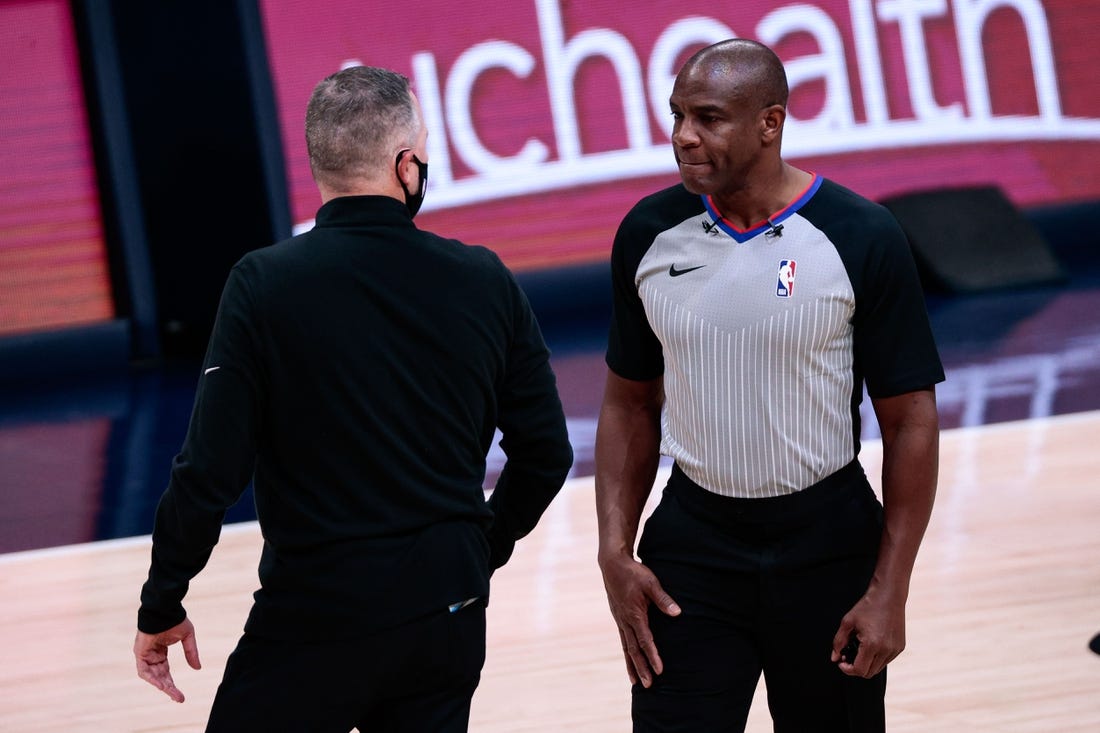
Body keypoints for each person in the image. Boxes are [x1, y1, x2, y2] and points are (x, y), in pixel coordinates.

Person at [133, 65, 573, 732]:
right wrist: (482, 545)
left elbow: (209, 473)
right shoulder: (484, 279)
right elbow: (545, 453)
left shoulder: (263, 284)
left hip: (315, 614)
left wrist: (161, 600)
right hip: (446, 610)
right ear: (405, 165)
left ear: (320, 167)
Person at [595, 39, 944, 732]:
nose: (683, 137)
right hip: (693, 546)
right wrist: (614, 549)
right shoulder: (647, 233)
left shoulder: (861, 235)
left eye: (708, 117)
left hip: (830, 543)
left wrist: (890, 590)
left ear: (770, 123)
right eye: (677, 116)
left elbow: (911, 421)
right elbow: (629, 402)